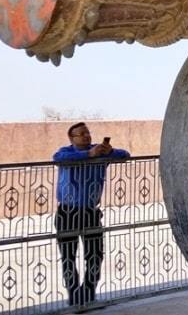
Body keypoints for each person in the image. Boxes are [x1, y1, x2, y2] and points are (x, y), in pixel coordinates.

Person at [53, 122, 130, 307]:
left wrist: (108, 152)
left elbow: (125, 155)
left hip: (90, 211)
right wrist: (88, 155)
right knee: (68, 256)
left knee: (94, 254)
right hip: (67, 212)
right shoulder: (66, 152)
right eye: (81, 134)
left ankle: (88, 294)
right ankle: (74, 297)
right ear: (72, 138)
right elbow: (58, 158)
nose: (86, 136)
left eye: (87, 132)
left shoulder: (99, 151)